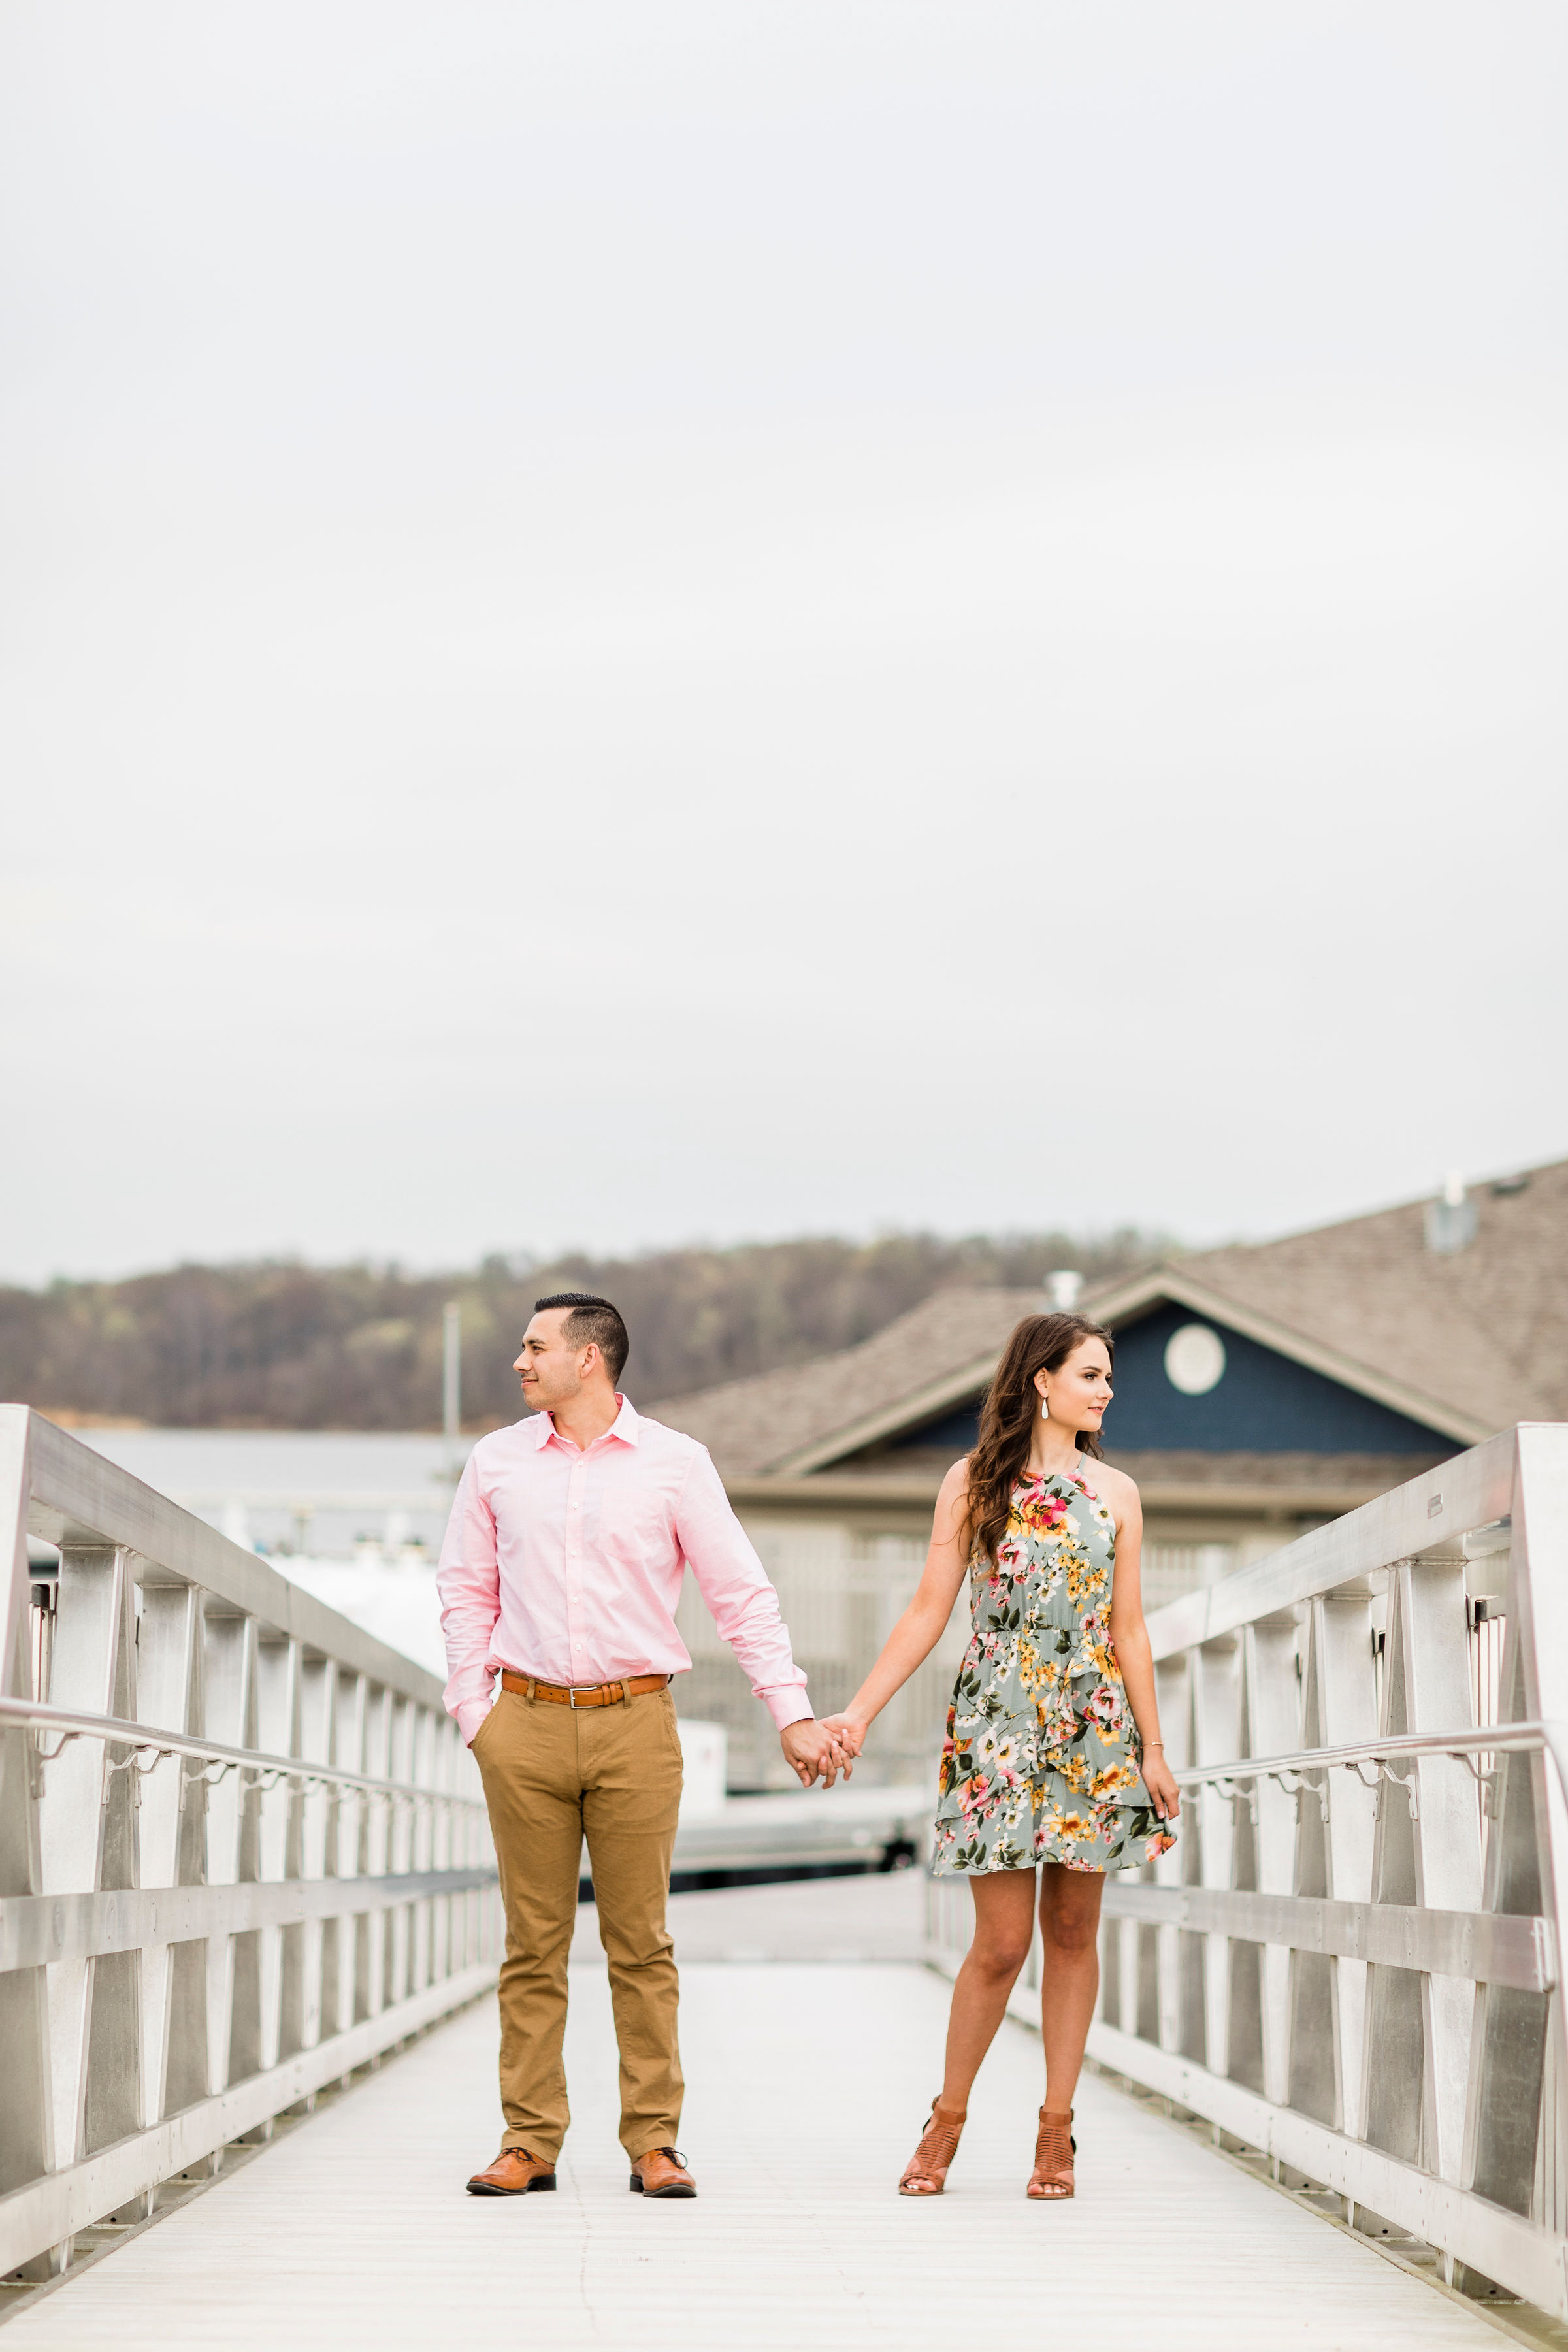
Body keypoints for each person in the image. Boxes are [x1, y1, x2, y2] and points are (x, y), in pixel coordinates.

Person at [438, 1290, 852, 2203]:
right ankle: (529, 2141)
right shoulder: (497, 1462)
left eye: (534, 1346)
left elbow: (739, 1592)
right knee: (532, 1946)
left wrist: (791, 1711)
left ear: (589, 1358)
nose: (519, 1360)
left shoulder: (674, 1463)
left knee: (642, 1946)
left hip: (636, 1724)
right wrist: (477, 1712)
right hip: (526, 1724)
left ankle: (655, 2143)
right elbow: (465, 1588)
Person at [823, 1310, 1178, 2201]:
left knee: (1072, 1932)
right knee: (1000, 1943)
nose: (1106, 1392)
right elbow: (925, 1610)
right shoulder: (973, 1482)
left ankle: (1055, 2134)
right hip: (997, 1726)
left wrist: (1156, 1752)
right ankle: (947, 2117)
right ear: (1042, 1382)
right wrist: (859, 1714)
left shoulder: (1119, 1494)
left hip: (1094, 1731)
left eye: (1108, 1378)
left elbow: (1129, 1631)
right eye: (1091, 1375)